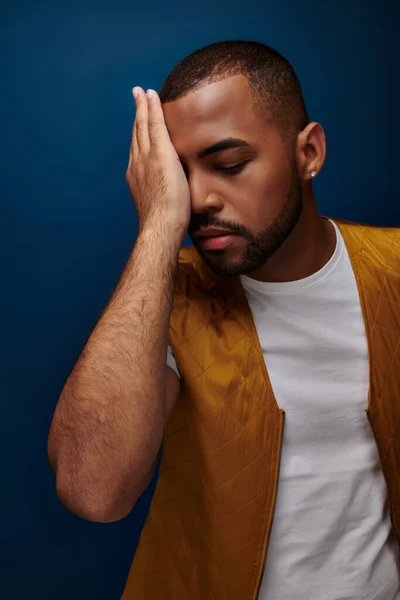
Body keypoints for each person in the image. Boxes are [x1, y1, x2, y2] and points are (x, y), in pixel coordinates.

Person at [47, 40, 400, 599]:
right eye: (179, 174)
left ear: (309, 153)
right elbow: (93, 490)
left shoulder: (392, 271)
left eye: (229, 164)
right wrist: (159, 225)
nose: (199, 198)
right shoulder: (168, 296)